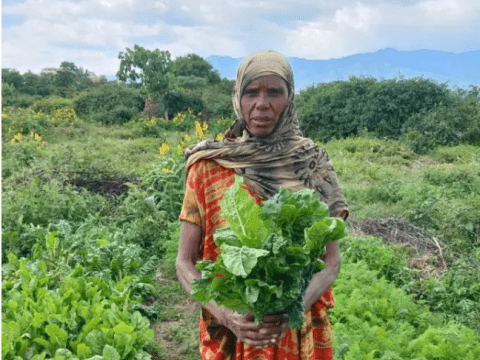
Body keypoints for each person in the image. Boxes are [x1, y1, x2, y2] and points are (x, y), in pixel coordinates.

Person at [176, 50, 349, 360]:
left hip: (299, 329)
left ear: (290, 97)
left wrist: (290, 311)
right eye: (251, 92)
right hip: (231, 329)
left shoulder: (312, 164)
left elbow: (331, 261)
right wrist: (228, 315)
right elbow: (184, 264)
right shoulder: (208, 167)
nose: (262, 104)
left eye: (274, 92)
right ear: (237, 97)